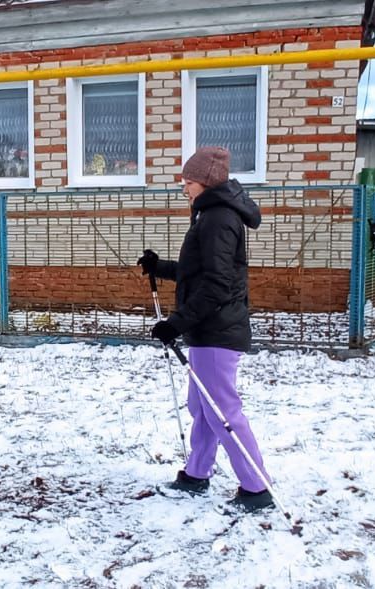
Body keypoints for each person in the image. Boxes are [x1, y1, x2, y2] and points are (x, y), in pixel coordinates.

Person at [136, 147, 273, 513]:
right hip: (208, 328)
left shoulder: (218, 218)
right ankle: (197, 473)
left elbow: (217, 283)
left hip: (217, 329)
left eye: (188, 183)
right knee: (202, 405)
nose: (185, 189)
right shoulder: (210, 215)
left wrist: (176, 323)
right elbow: (200, 269)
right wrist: (160, 267)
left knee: (222, 410)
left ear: (206, 183)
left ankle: (257, 487)